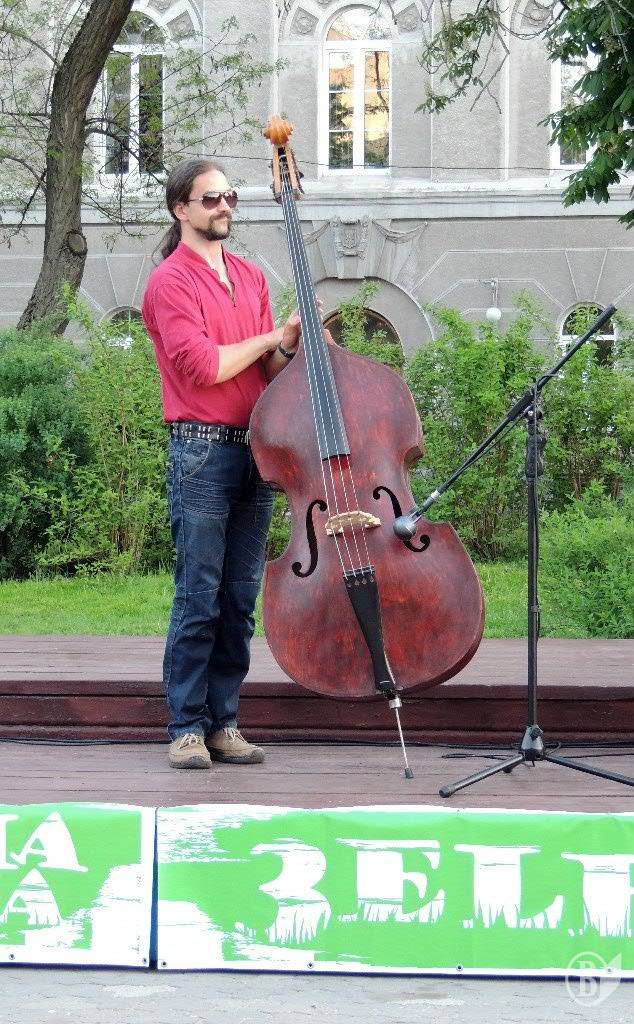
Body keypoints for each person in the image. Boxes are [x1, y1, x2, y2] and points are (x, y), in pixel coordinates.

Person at [142, 158, 301, 770]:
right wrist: (268, 339)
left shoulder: (251, 276)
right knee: (199, 596)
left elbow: (267, 371)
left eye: (230, 196)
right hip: (201, 448)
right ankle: (186, 727)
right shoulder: (169, 283)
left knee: (238, 598)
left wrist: (289, 344)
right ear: (181, 208)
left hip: (256, 448)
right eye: (211, 198)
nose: (224, 206)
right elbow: (205, 367)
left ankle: (223, 722)